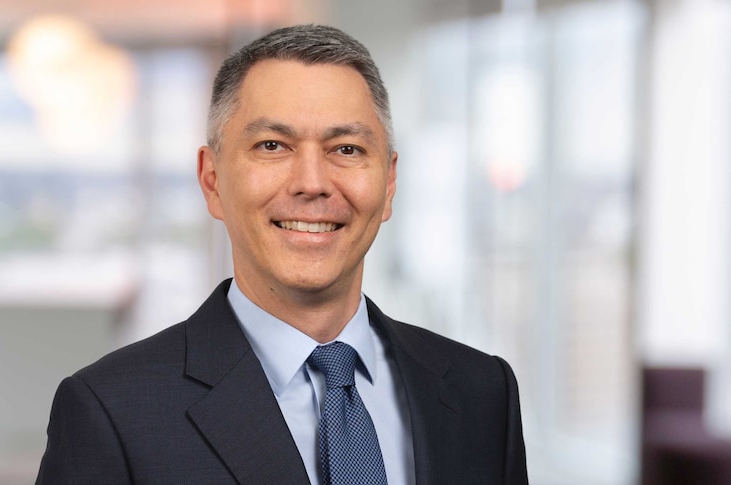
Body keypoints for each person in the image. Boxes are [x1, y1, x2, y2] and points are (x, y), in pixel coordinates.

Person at [36, 24, 528, 484]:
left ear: (390, 182)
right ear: (212, 180)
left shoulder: (483, 392)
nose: (312, 184)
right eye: (273, 145)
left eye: (348, 149)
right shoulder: (111, 412)